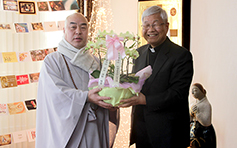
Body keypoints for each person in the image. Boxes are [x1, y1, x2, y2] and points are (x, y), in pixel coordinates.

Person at [36, 12, 117, 148]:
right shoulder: (53, 61)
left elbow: (108, 91)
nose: (78, 32)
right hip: (69, 132)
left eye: (83, 27)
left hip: (94, 127)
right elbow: (55, 95)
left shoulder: (97, 62)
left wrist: (114, 100)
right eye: (73, 27)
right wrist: (86, 97)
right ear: (64, 31)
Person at [119, 6, 194, 148]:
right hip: (142, 129)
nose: (150, 29)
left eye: (155, 24)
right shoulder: (138, 53)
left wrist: (145, 100)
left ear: (166, 27)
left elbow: (178, 94)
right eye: (146, 25)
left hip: (169, 133)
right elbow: (136, 82)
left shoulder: (181, 55)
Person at [190, 83, 216, 148]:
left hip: (204, 133)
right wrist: (191, 113)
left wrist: (197, 113)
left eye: (195, 90)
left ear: (202, 91)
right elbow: (190, 119)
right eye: (192, 91)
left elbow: (207, 122)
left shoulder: (206, 105)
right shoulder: (193, 104)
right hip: (194, 134)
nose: (193, 92)